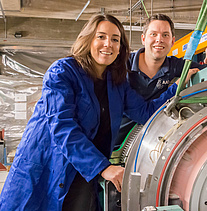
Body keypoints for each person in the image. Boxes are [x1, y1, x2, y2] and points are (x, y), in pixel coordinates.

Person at [0, 14, 193, 211]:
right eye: (101, 37)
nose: (108, 44)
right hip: (48, 166)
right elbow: (62, 126)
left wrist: (176, 88)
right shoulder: (62, 72)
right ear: (88, 39)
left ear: (121, 48)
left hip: (84, 171)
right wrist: (103, 167)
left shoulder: (117, 82)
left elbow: (145, 112)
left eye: (115, 39)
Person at [115, 14, 207, 147]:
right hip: (117, 144)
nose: (159, 40)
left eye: (165, 35)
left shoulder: (175, 66)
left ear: (172, 41)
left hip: (151, 140)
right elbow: (145, 114)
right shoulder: (122, 67)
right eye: (153, 34)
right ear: (143, 39)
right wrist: (175, 88)